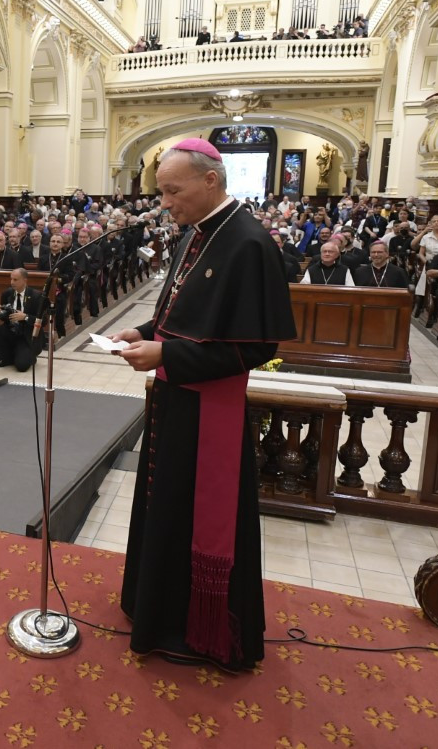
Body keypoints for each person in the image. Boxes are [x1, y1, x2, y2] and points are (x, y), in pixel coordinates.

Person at [109, 139, 295, 671]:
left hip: (209, 410)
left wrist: (165, 352)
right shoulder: (196, 235)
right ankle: (158, 610)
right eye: (162, 191)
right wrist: (142, 331)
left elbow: (256, 347)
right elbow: (181, 311)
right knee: (164, 505)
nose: (165, 202)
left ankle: (198, 628)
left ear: (209, 180)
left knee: (194, 513)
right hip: (175, 401)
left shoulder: (248, 244)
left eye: (173, 190)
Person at [0, 268, 44, 371]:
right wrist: (3, 313)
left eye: (15, 280)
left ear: (25, 280)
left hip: (27, 334)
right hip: (12, 330)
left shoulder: (36, 296)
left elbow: (43, 320)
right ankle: (8, 358)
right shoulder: (7, 294)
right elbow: (5, 320)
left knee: (22, 366)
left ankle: (28, 355)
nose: (12, 282)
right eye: (11, 279)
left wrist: (25, 317)